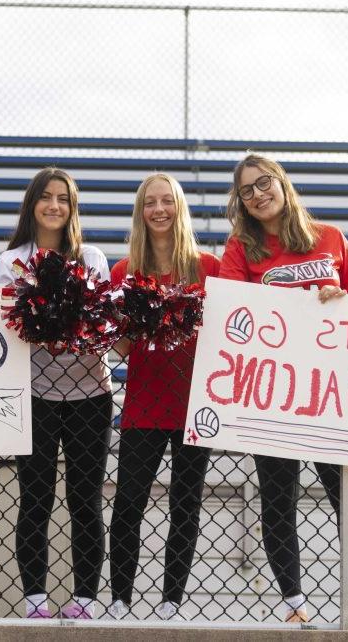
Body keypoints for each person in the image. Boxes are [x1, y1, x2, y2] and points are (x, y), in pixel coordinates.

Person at [218, 153, 348, 625]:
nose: (258, 194)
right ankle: (294, 604)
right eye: (247, 190)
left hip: (329, 390)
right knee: (278, 498)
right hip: (273, 392)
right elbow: (233, 310)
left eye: (264, 183)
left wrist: (338, 303)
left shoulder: (329, 238)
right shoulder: (240, 248)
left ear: (282, 183)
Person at [0, 167, 113, 620]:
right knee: (35, 498)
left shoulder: (92, 258)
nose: (54, 206)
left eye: (63, 198)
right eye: (46, 197)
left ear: (72, 206)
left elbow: (101, 325)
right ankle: (35, 601)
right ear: (32, 204)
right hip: (35, 396)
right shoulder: (9, 263)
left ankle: (85, 600)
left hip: (91, 395)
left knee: (85, 499)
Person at [106, 174, 219, 621]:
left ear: (179, 207)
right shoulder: (124, 271)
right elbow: (122, 348)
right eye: (150, 202)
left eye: (166, 201)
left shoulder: (208, 267)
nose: (158, 210)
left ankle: (172, 600)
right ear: (140, 211)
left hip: (195, 403)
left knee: (185, 503)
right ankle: (120, 599)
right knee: (128, 501)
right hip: (144, 401)